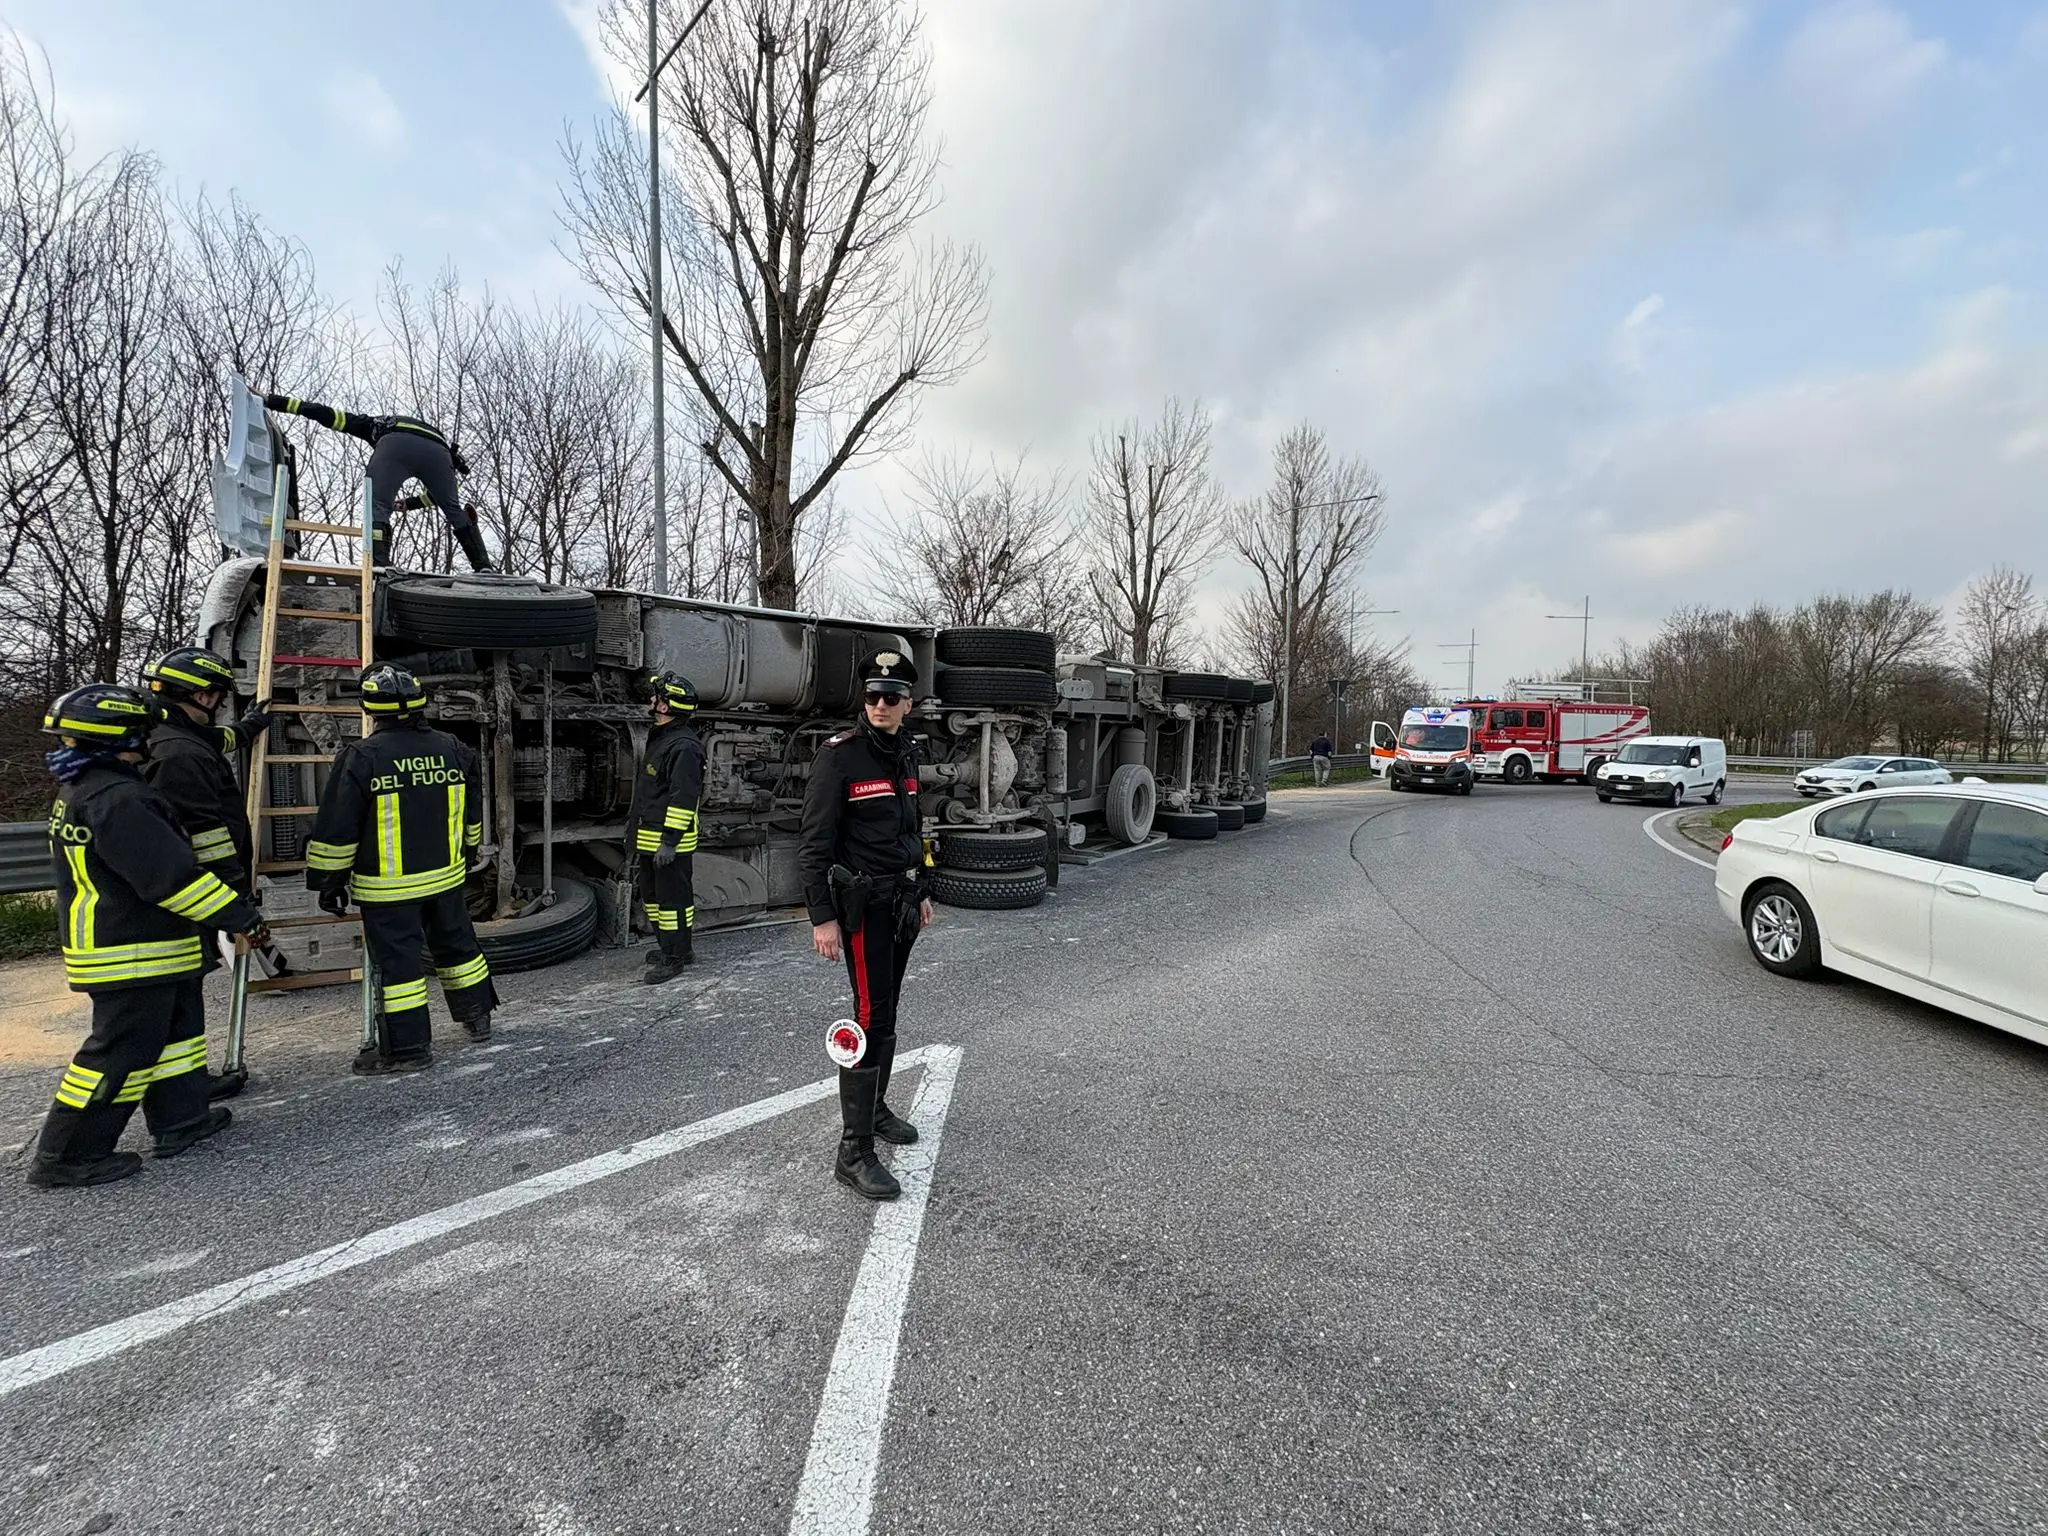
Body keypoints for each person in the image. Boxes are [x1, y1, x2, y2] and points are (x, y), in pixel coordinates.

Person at [27, 684, 271, 1188]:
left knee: (176, 1035)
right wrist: (238, 915)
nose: (150, 738)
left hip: (148, 941)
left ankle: (182, 1121)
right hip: (131, 948)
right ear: (121, 736)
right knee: (121, 1050)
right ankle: (67, 1154)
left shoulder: (90, 787)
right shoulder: (120, 798)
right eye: (142, 730)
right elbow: (171, 878)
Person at [304, 664, 497, 1074]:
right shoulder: (454, 749)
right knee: (459, 949)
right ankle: (478, 1018)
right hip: (446, 877)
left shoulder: (361, 757)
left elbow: (338, 827)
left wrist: (328, 882)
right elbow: (472, 815)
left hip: (388, 889)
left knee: (401, 967)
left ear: (371, 709)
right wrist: (468, 852)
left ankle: (409, 1050)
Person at [798, 649, 932, 1202]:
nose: (880, 704)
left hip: (900, 903)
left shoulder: (907, 753)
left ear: (908, 703)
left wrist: (922, 888)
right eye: (872, 695)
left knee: (888, 1012)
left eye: (892, 696)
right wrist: (822, 918)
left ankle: (875, 1110)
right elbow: (813, 844)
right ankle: (853, 1152)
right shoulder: (840, 757)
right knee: (870, 1016)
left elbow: (912, 828)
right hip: (861, 909)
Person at [141, 645, 288, 1098]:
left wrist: (248, 728)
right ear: (202, 696)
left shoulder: (169, 736)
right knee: (174, 999)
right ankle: (177, 1094)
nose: (222, 704)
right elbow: (206, 838)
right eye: (220, 697)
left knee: (183, 996)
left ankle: (185, 1090)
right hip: (188, 896)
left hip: (177, 896)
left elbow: (216, 742)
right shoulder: (180, 755)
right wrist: (235, 899)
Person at [261, 391, 493, 573]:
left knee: (377, 507)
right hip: (439, 451)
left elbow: (324, 413)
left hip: (393, 442)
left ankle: (380, 565)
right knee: (452, 507)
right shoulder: (433, 438)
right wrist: (410, 504)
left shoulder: (370, 423)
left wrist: (273, 401)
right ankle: (483, 565)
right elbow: (440, 494)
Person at [627, 670, 705, 984]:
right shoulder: (665, 738)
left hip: (668, 842)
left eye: (656, 697)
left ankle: (675, 957)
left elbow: (683, 798)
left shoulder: (684, 747)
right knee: (655, 899)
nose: (651, 700)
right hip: (652, 838)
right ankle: (672, 947)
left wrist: (670, 842)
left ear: (665, 707)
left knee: (672, 903)